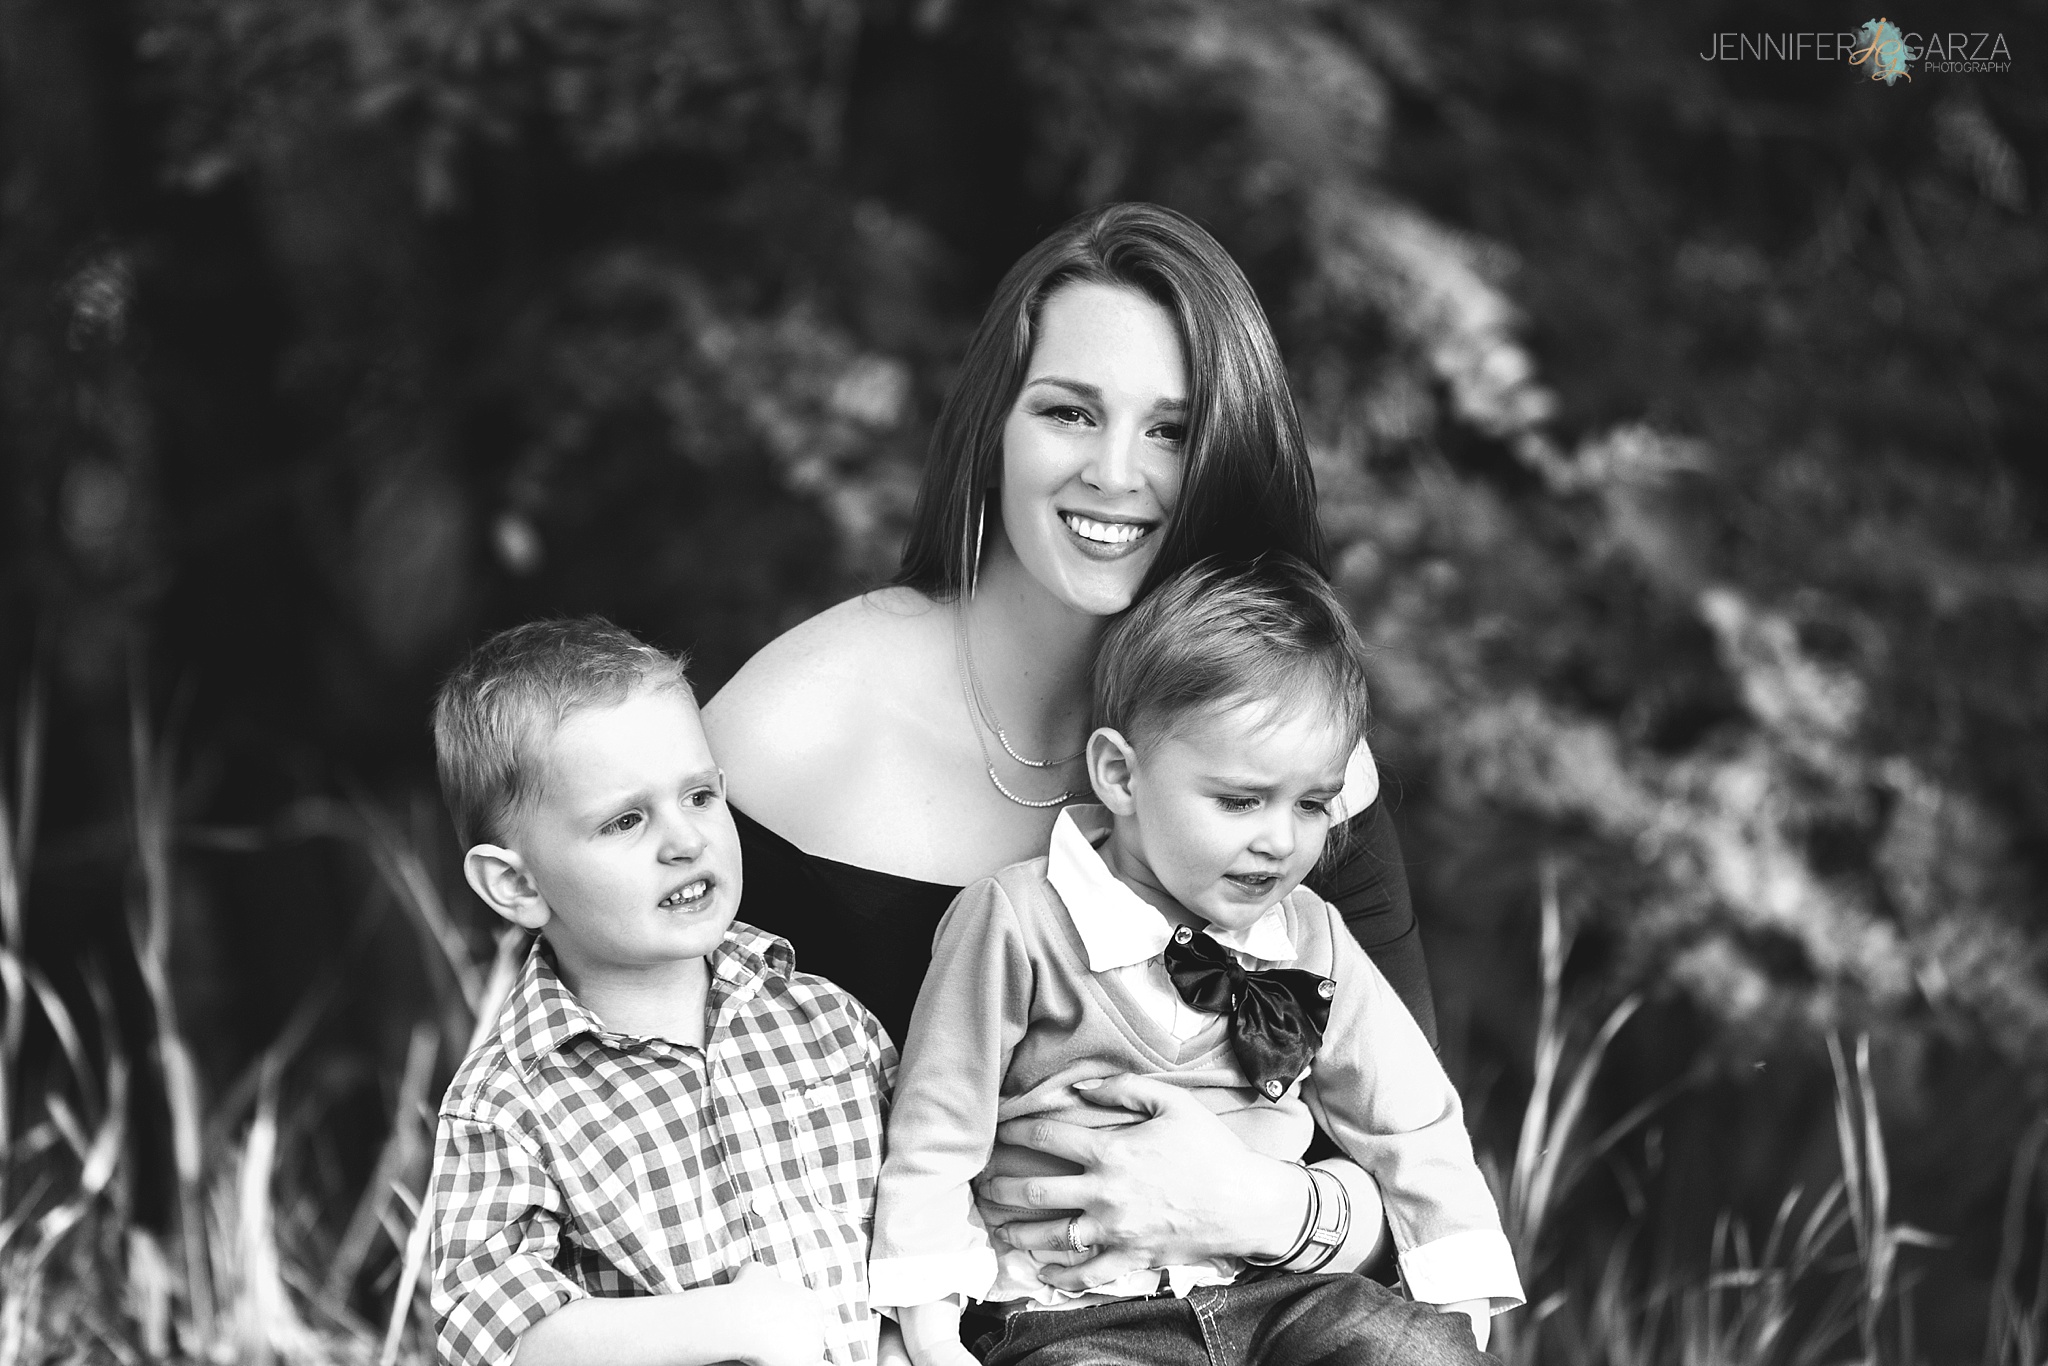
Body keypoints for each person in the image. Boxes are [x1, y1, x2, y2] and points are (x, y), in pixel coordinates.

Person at [703, 202, 1431, 1295]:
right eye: (1069, 412)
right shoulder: (790, 731)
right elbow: (641, 1131)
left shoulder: (1291, 770)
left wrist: (1251, 1202)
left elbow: (1412, 1185)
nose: (1114, 473)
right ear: (994, 429)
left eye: (1171, 431)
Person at [869, 557, 1521, 1366]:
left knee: (1410, 1348)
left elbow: (1411, 1119)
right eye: (1240, 800)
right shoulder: (1019, 921)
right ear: (1121, 775)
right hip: (1072, 1312)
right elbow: (938, 1127)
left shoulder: (1312, 935)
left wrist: (1457, 1294)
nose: (1281, 840)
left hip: (1277, 1293)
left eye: (1313, 804)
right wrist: (930, 1324)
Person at [426, 618, 898, 1366]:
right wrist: (725, 1324)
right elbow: (487, 1328)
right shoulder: (508, 1101)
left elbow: (923, 1219)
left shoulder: (831, 1024)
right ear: (515, 884)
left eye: (701, 796)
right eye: (625, 819)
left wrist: (906, 1338)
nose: (684, 840)